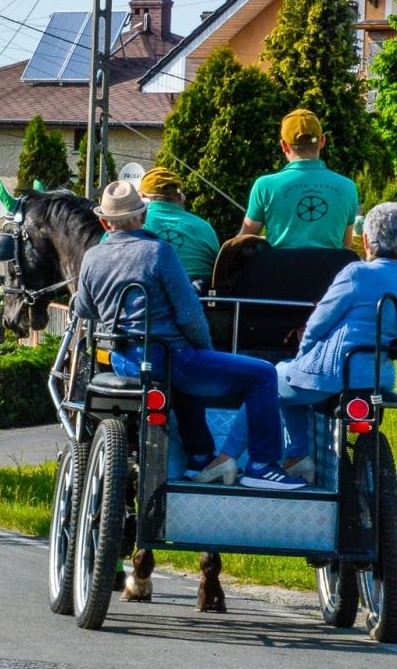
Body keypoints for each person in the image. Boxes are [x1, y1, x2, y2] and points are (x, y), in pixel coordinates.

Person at [73, 181, 289, 488]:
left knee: (183, 369)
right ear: (143, 216)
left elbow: (84, 308)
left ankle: (200, 456)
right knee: (264, 374)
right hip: (168, 358)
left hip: (124, 361)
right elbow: (190, 316)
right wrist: (205, 349)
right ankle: (262, 465)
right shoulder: (159, 252)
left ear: (104, 222)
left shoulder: (92, 258)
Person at [255, 201, 397, 484]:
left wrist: (303, 355)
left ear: (367, 240)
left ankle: (241, 460)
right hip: (379, 378)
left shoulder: (357, 273)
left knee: (267, 379)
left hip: (335, 375)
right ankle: (298, 456)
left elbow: (318, 323)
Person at [239, 109, 358, 250]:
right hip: (332, 271)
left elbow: (242, 244)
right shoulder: (348, 187)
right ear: (322, 141)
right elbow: (346, 246)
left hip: (280, 271)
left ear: (283, 145)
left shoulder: (264, 186)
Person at [138, 167, 221, 286]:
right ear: (180, 197)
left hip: (146, 298)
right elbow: (218, 266)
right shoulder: (204, 227)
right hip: (198, 299)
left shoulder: (131, 223)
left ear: (143, 197)